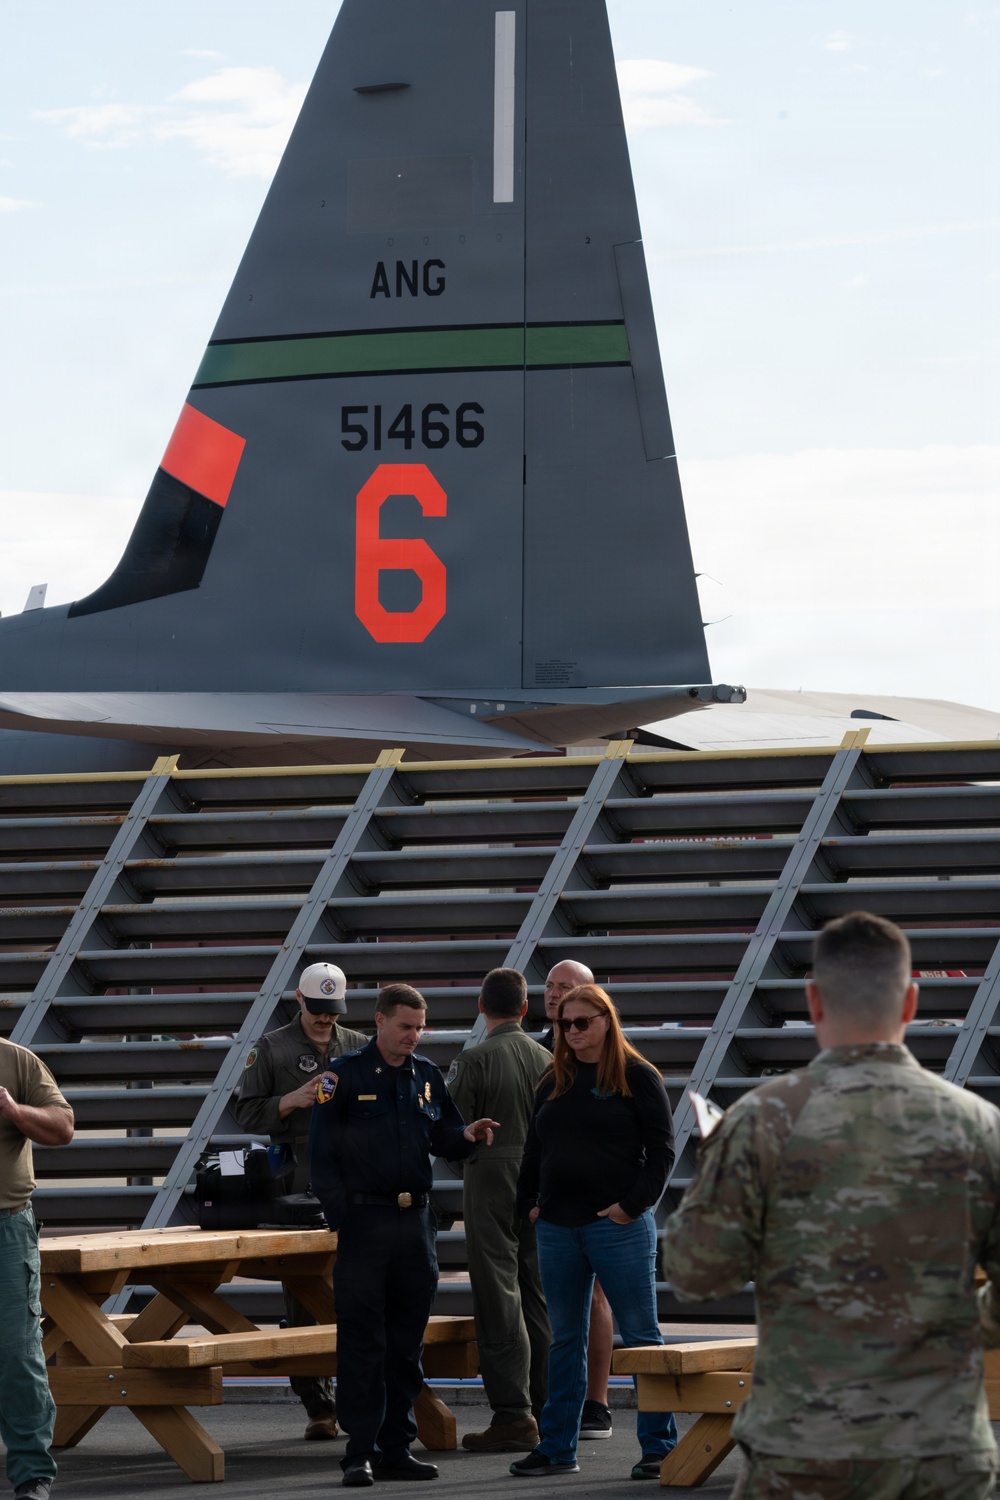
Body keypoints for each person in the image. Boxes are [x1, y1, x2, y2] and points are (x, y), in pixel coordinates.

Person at [664, 911, 1000, 1500]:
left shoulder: (761, 1121)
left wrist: (718, 1172)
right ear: (911, 1002)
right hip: (940, 1449)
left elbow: (695, 1273)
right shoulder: (979, 1126)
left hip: (803, 1447)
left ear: (814, 1001)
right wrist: (960, 1323)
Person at [310, 983, 499, 1487]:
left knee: (406, 1342)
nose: (413, 1036)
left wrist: (467, 1134)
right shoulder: (343, 1077)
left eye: (419, 1027)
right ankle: (359, 1451)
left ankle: (397, 1447)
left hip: (415, 1226)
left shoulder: (428, 1076)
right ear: (379, 1022)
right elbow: (321, 1155)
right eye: (405, 1026)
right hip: (364, 1224)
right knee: (362, 1340)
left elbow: (444, 1136)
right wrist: (340, 1216)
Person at [513, 984, 677, 1480]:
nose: (573, 1032)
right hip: (558, 1228)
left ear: (607, 1021)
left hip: (617, 1229)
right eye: (565, 1024)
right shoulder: (553, 1079)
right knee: (565, 1340)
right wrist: (529, 1205)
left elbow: (663, 1152)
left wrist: (629, 1208)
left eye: (583, 1021)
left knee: (643, 1338)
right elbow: (534, 1151)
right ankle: (558, 1446)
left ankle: (659, 1448)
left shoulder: (637, 1076)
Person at [232, 961, 367, 1440]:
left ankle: (357, 1400)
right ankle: (317, 1404)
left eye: (332, 1013)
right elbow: (245, 1112)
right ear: (299, 1000)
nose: (325, 1021)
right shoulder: (271, 1048)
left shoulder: (356, 1045)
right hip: (297, 1176)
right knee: (304, 1293)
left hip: (350, 1175)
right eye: (317, 1011)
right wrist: (292, 1100)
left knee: (355, 1289)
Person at [445, 968, 551, 1453]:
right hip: (542, 1180)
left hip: (490, 1175)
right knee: (537, 1293)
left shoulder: (475, 1059)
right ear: (526, 1009)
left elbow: (451, 1133)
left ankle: (513, 1412)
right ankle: (547, 1406)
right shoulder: (550, 1059)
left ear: (481, 1006)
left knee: (497, 1293)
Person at [539, 959, 615, 1443]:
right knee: (559, 1308)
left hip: (601, 1202)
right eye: (549, 986)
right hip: (551, 1198)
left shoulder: (614, 1059)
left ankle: (598, 1402)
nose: (554, 994)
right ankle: (557, 1414)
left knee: (597, 1297)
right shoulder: (538, 1049)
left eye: (566, 988)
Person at [0, 1035, 75, 1500]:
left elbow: (63, 1127)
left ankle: (31, 1474)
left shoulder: (16, 1060)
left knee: (16, 1351)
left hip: (6, 1227)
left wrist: (14, 1111)